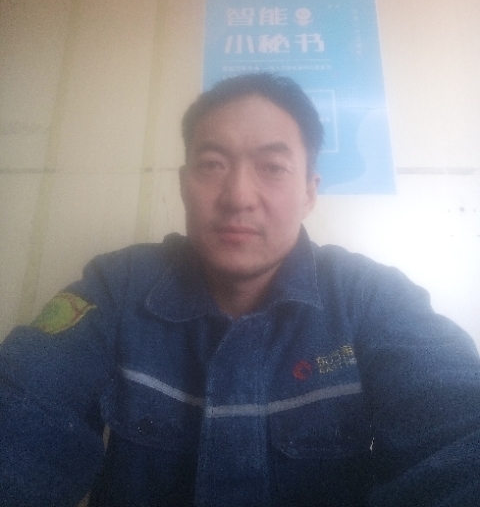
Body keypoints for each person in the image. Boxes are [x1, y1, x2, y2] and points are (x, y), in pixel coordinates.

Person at [1, 73, 479, 507]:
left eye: (272, 167)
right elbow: (23, 413)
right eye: (212, 164)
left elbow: (459, 430)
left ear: (309, 192)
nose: (238, 197)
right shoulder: (118, 287)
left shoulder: (373, 299)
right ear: (184, 184)